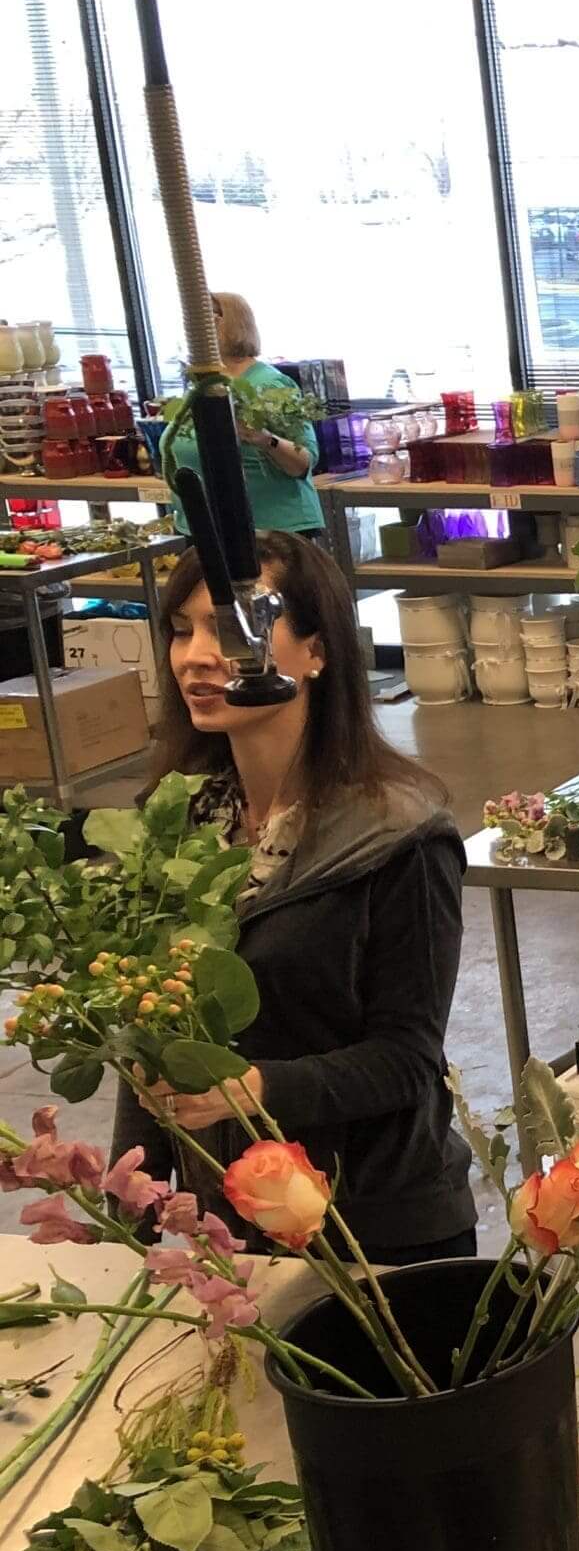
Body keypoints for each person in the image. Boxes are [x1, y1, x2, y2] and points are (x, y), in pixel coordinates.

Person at [112, 533, 474, 1262]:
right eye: (182, 632)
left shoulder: (399, 838)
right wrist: (132, 1203)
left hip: (374, 1226)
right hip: (229, 1220)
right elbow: (146, 1036)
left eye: (230, 627)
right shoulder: (174, 824)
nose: (196, 655)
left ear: (316, 651)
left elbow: (407, 1059)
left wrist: (256, 1087)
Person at [160, 292, 325, 537]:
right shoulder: (203, 386)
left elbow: (303, 462)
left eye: (208, 320)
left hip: (270, 533)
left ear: (233, 325)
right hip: (203, 529)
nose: (196, 329)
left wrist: (265, 439)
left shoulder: (270, 384)